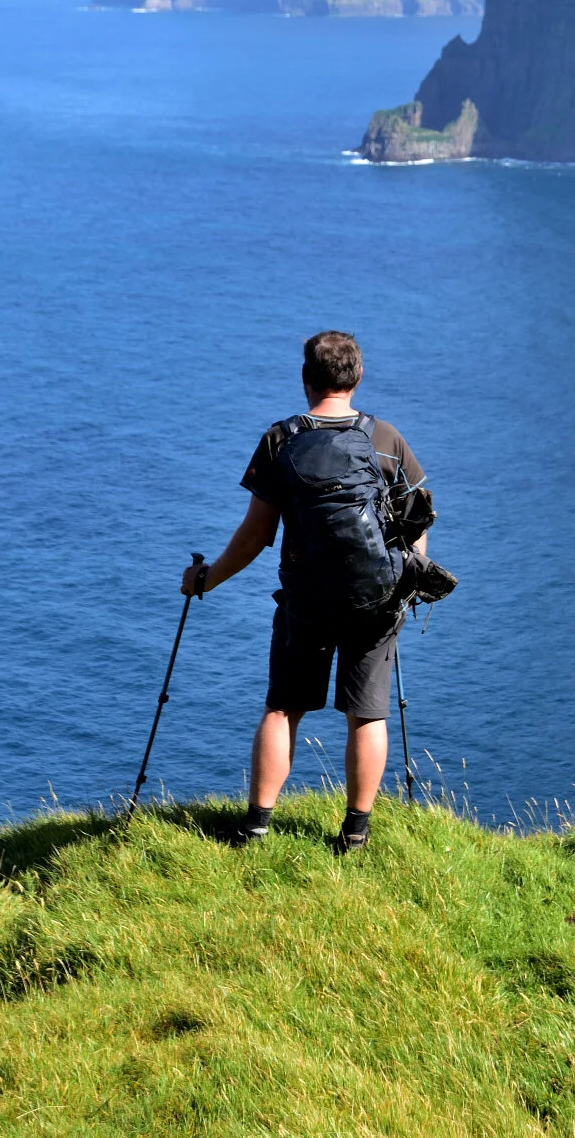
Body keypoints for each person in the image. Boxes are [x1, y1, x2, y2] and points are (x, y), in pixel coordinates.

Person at [181, 330, 433, 854]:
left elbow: (255, 536)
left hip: (306, 600)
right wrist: (409, 580)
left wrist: (207, 580)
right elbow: (415, 525)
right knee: (367, 713)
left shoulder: (281, 439)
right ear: (358, 377)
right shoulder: (385, 438)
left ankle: (255, 827)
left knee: (283, 709)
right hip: (376, 601)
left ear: (305, 379)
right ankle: (355, 834)